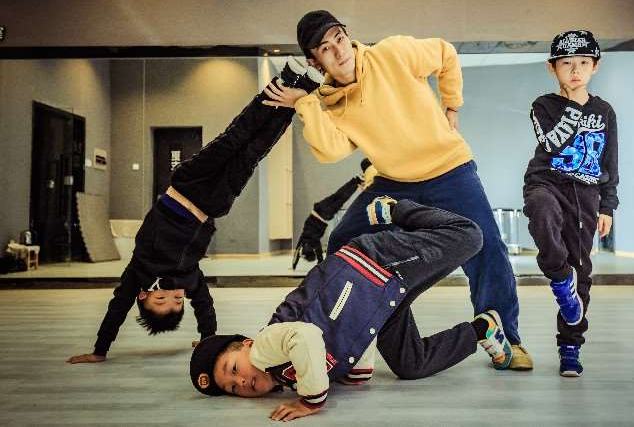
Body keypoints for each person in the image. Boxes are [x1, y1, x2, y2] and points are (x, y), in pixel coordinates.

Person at [262, 9, 532, 370]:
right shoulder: (330, 101)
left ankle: (507, 338)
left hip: (449, 169)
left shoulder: (392, 53)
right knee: (343, 242)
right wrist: (304, 102)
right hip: (393, 182)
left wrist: (452, 104)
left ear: (347, 36)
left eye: (339, 38)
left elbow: (445, 53)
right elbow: (330, 151)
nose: (339, 50)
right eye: (325, 48)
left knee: (487, 246)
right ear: (315, 61)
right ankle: (360, 329)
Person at [66, 58, 323, 364]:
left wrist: (100, 350)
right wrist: (207, 341)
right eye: (177, 300)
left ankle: (285, 79)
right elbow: (205, 306)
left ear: (143, 295)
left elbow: (117, 307)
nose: (172, 292)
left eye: (162, 298)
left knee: (236, 136)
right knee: (254, 151)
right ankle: (304, 91)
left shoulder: (139, 271)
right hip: (213, 203)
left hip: (187, 185)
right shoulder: (189, 278)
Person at [190, 198, 513, 421]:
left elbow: (306, 337)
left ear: (246, 344)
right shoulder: (287, 376)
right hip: (380, 301)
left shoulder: (266, 346)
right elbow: (345, 342)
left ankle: (396, 209)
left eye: (234, 369)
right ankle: (482, 329)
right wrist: (352, 373)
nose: (242, 381)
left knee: (469, 236)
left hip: (372, 266)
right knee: (410, 364)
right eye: (233, 388)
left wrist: (311, 401)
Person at [522, 30, 619, 377]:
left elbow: (610, 160)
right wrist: (575, 107)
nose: (575, 71)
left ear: (595, 66)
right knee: (542, 211)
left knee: (583, 271)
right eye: (566, 64)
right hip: (546, 183)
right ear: (552, 68)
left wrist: (607, 206)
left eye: (583, 63)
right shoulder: (543, 106)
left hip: (586, 195)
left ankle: (570, 346)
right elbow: (553, 145)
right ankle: (560, 278)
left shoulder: (605, 111)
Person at [292, 158, 375, 269]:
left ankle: (357, 181)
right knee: (339, 194)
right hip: (317, 210)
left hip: (324, 215)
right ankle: (356, 180)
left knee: (342, 197)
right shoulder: (305, 239)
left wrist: (320, 263)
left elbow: (318, 253)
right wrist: (294, 265)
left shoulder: (312, 241)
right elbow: (298, 252)